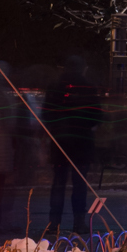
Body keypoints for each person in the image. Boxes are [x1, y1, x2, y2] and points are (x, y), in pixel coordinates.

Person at [43, 56, 102, 233]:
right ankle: (79, 222)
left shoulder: (55, 87)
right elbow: (96, 115)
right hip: (82, 143)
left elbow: (47, 113)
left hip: (60, 141)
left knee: (59, 183)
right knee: (79, 184)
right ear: (83, 68)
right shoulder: (88, 88)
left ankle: (54, 223)